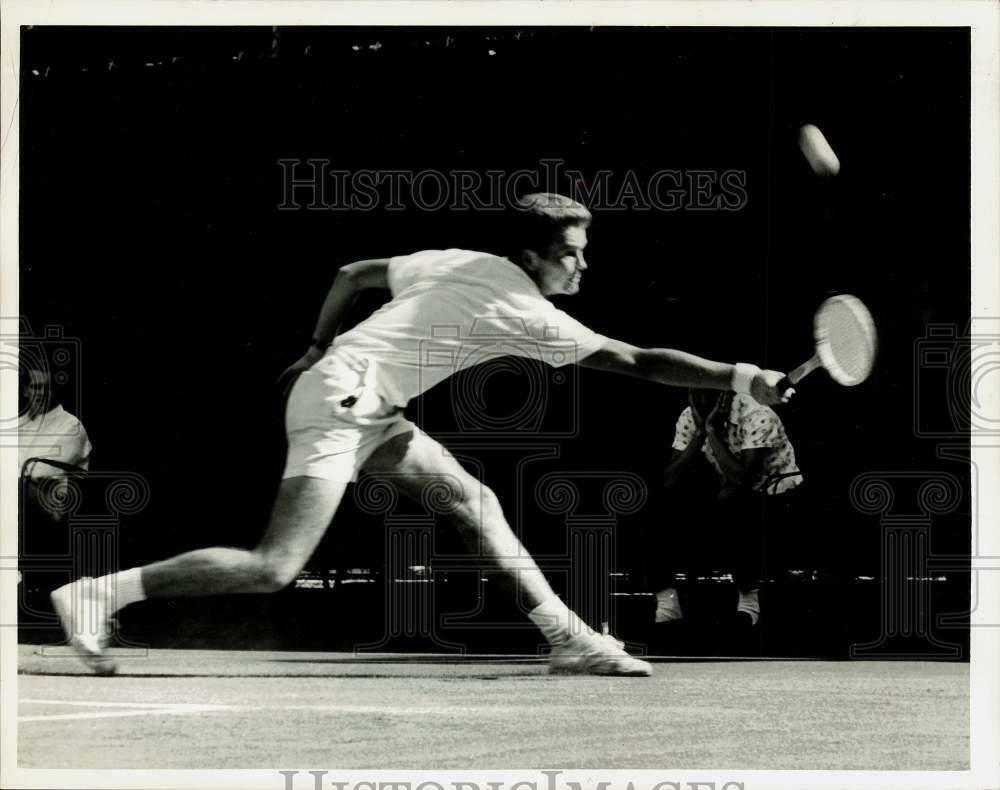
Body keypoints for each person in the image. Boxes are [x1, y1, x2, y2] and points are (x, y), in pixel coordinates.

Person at [51, 193, 793, 676]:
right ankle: (98, 593)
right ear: (531, 257)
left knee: (472, 501)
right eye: (570, 252)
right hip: (344, 404)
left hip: (360, 398)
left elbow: (352, 272)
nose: (583, 264)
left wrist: (315, 345)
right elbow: (634, 360)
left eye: (585, 250)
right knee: (274, 567)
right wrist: (738, 376)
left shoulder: (455, 259)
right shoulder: (520, 307)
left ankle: (567, 637)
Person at [654, 389, 802, 628]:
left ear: (727, 395)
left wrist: (711, 431)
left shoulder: (757, 414)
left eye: (708, 395)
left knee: (734, 502)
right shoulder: (689, 416)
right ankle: (668, 602)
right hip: (730, 488)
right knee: (660, 503)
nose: (701, 402)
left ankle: (748, 602)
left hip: (777, 494)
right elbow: (670, 477)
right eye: (696, 394)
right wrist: (701, 431)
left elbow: (745, 480)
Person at [19, 365, 92, 520]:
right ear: (26, 391)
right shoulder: (18, 424)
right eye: (36, 387)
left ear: (54, 391)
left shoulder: (71, 426)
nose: (41, 393)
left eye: (47, 388)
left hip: (51, 511)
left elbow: (39, 471)